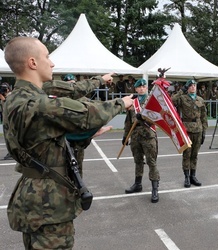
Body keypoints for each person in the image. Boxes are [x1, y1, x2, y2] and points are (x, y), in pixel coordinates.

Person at [3, 36, 135, 249]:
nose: (52, 62)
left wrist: (84, 137)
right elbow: (87, 115)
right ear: (32, 63)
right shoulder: (39, 104)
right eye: (47, 56)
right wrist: (122, 103)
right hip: (48, 201)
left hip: (31, 193)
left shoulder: (14, 98)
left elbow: (44, 138)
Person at [123, 78, 160, 203]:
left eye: (144, 87)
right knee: (138, 161)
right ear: (136, 89)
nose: (142, 88)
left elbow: (156, 118)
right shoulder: (133, 102)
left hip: (148, 135)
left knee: (151, 162)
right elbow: (128, 121)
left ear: (146, 88)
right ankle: (137, 184)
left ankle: (155, 189)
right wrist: (125, 136)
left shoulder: (151, 101)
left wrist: (144, 119)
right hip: (135, 136)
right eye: (140, 87)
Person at [172, 79, 208, 188]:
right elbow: (172, 101)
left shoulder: (200, 99)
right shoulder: (182, 98)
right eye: (190, 85)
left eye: (194, 85)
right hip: (186, 129)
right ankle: (186, 177)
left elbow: (203, 117)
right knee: (186, 154)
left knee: (194, 155)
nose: (193, 87)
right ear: (187, 87)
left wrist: (204, 132)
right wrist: (182, 90)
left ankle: (193, 175)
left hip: (198, 129)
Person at [0, 82, 13, 160]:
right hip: (5, 120)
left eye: (5, 88)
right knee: (7, 137)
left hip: (10, 121)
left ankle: (12, 153)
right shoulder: (3, 97)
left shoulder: (11, 96)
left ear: (8, 89)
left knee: (10, 137)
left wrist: (4, 100)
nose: (4, 90)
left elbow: (9, 107)